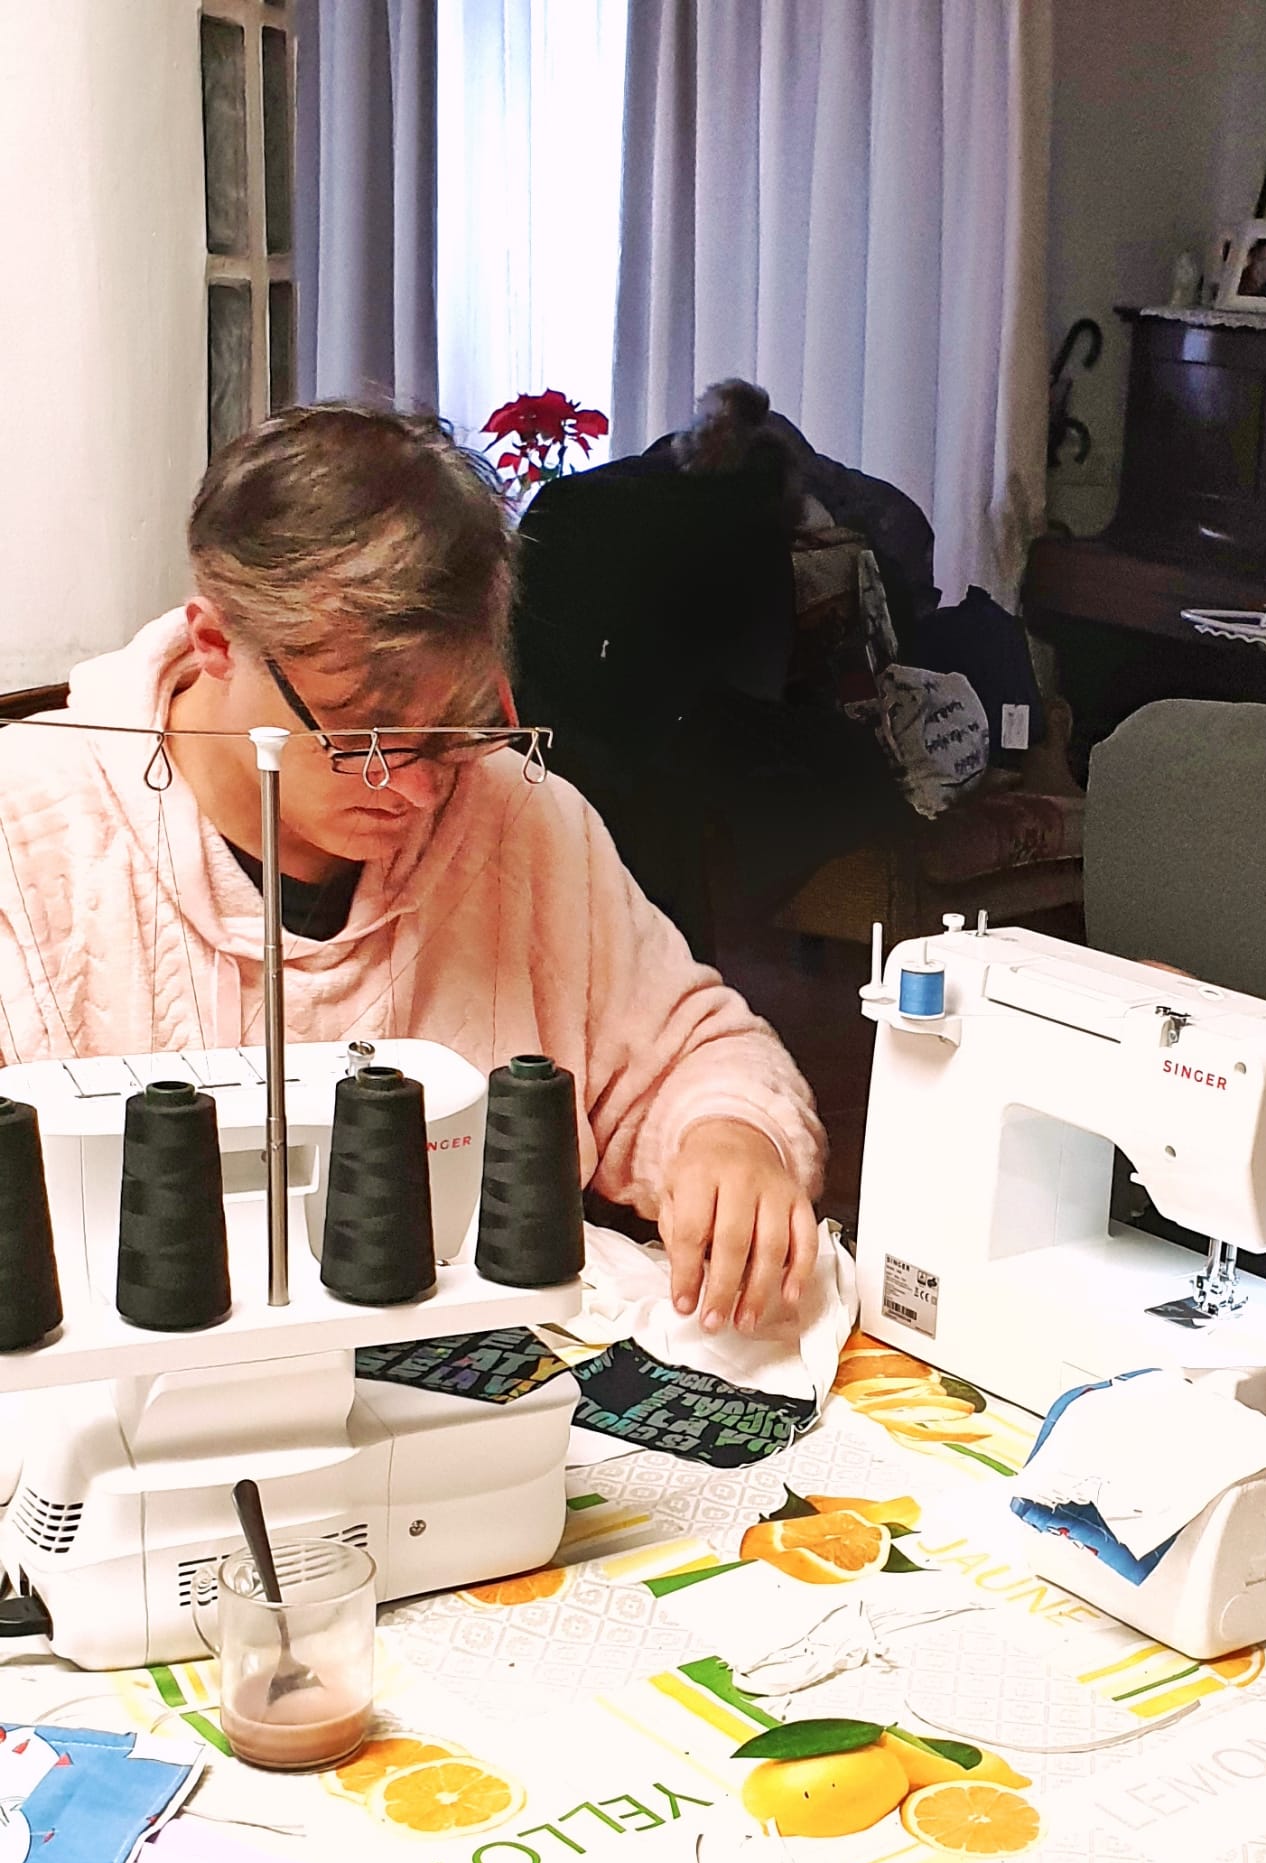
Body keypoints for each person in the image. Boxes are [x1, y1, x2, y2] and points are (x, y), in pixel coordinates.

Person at [0, 404, 823, 1335]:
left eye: (455, 730)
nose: (422, 789)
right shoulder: (27, 839)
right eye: (364, 736)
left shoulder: (519, 817)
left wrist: (732, 1136)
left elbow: (690, 1050)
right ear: (216, 643)